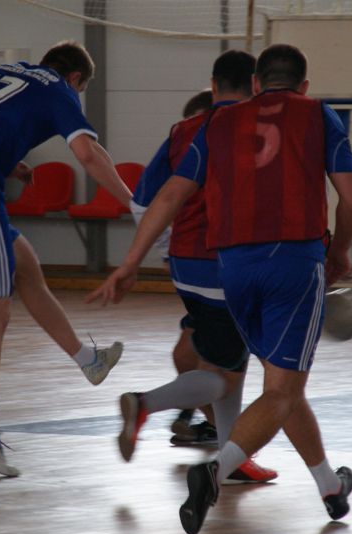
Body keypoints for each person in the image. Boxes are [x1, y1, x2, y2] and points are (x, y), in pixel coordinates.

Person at [89, 44, 352, 534]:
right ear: (303, 86)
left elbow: (168, 195)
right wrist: (339, 251)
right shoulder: (317, 114)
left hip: (232, 269)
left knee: (283, 386)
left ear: (257, 85)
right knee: (281, 390)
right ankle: (215, 472)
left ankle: (330, 486)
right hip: (293, 263)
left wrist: (130, 262)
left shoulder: (217, 123)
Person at [0, 41, 132, 478]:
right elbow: (89, 154)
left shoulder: (4, 72)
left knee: (26, 266)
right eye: (80, 89)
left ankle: (87, 360)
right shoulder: (58, 90)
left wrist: (11, 162)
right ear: (75, 78)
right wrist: (136, 205)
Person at [115, 51, 277, 485]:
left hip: (186, 267)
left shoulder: (182, 131)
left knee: (229, 362)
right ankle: (144, 403)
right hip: (232, 265)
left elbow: (143, 201)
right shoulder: (262, 130)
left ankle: (231, 456)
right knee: (224, 378)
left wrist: (164, 249)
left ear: (213, 83)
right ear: (256, 86)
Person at [131, 88, 219, 446]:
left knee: (221, 366)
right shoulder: (197, 140)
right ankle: (214, 427)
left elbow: (142, 202)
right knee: (189, 355)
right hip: (209, 267)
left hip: (224, 267)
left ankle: (153, 405)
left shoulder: (188, 136)